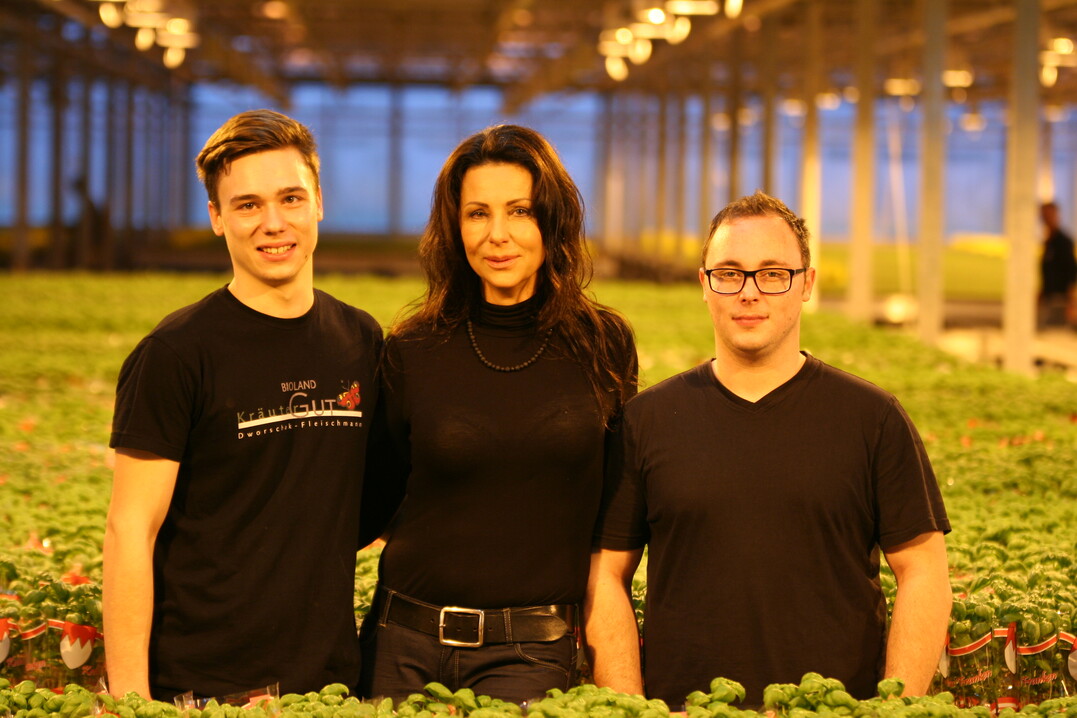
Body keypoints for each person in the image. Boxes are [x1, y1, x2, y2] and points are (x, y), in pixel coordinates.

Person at [585, 191, 952, 708]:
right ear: (704, 285)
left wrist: (896, 705)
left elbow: (923, 570)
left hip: (835, 708)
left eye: (773, 273)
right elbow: (607, 575)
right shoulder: (647, 420)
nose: (749, 292)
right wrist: (630, 705)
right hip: (688, 706)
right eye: (730, 273)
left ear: (806, 284)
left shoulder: (872, 418)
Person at [103, 109, 384, 701]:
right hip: (203, 688)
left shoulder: (360, 341)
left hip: (330, 683)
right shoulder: (176, 353)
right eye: (248, 204)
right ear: (216, 217)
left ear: (319, 203)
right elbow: (132, 528)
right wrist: (131, 699)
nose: (273, 223)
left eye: (291, 198)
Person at [357, 124, 637, 704]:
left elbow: (616, 505)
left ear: (553, 221)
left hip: (531, 650)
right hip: (403, 641)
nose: (499, 235)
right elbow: (372, 498)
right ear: (454, 228)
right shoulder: (413, 349)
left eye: (521, 211)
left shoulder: (602, 344)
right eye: (477, 214)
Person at [1038, 201, 1077, 329]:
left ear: (1056, 216)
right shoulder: (1049, 242)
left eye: (1049, 215)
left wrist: (1071, 303)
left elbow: (1072, 271)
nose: (1045, 219)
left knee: (1054, 334)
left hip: (1060, 300)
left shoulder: (1063, 242)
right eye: (1043, 216)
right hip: (1050, 298)